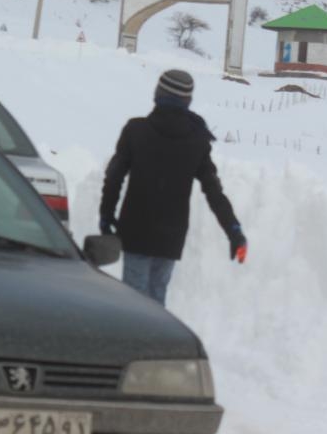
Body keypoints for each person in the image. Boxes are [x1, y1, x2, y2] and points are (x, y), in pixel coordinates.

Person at [100, 70, 246, 305]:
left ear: (158, 94)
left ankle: (137, 342)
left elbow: (114, 177)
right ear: (187, 100)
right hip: (171, 237)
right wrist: (234, 230)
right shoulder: (197, 140)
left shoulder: (136, 131)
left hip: (135, 231)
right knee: (157, 303)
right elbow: (213, 191)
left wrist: (106, 215)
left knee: (133, 305)